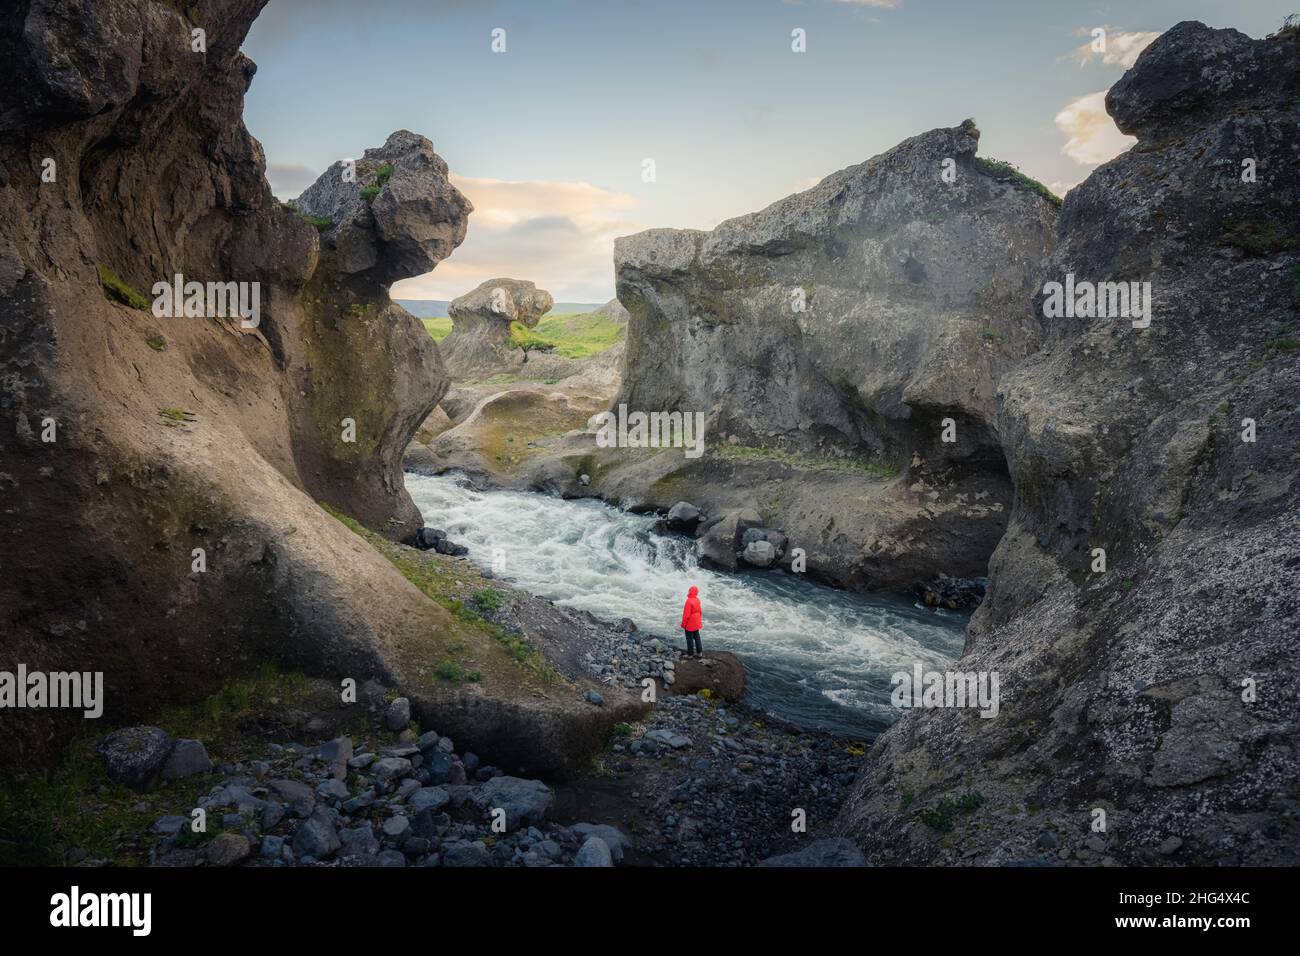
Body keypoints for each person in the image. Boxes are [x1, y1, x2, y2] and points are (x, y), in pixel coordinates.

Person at [680, 585, 703, 658]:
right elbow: (700, 611)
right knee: (697, 637)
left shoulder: (688, 601)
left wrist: (683, 624)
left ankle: (690, 654)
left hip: (690, 623)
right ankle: (699, 653)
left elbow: (686, 615)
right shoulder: (697, 600)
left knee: (689, 638)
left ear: (690, 592)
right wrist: (699, 621)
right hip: (696, 621)